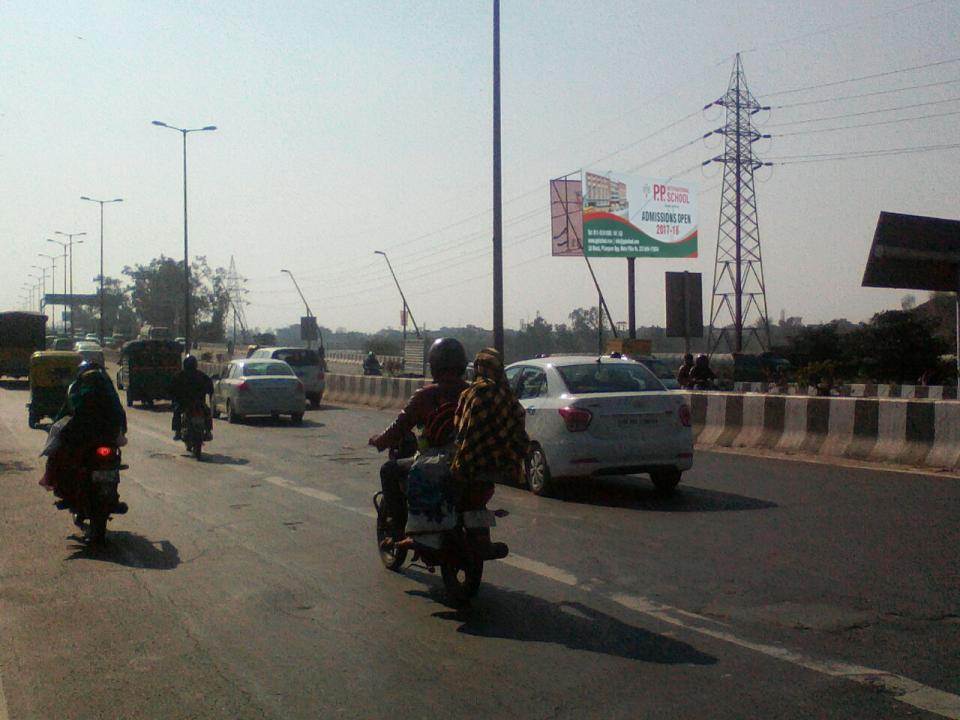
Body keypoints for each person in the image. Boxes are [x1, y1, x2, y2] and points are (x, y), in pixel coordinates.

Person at [369, 338, 469, 528]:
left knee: (388, 470)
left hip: (438, 460)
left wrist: (379, 441)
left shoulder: (427, 395)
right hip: (469, 461)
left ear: (435, 366)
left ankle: (397, 526)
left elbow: (399, 427)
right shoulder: (473, 393)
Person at [449, 347, 529, 558]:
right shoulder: (508, 395)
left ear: (478, 369)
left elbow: (461, 428)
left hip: (471, 462)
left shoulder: (473, 392)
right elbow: (518, 424)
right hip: (499, 463)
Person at [41, 361, 128, 516]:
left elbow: (64, 412)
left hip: (83, 435)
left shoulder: (76, 388)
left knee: (60, 457)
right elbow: (120, 413)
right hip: (107, 434)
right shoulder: (108, 389)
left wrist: (54, 426)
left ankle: (67, 493)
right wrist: (120, 431)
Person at [169, 355, 214, 442]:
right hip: (195, 403)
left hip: (187, 403)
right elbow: (210, 387)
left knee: (177, 412)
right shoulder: (201, 375)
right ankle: (208, 432)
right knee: (207, 412)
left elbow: (171, 388)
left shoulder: (179, 376)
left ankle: (178, 432)